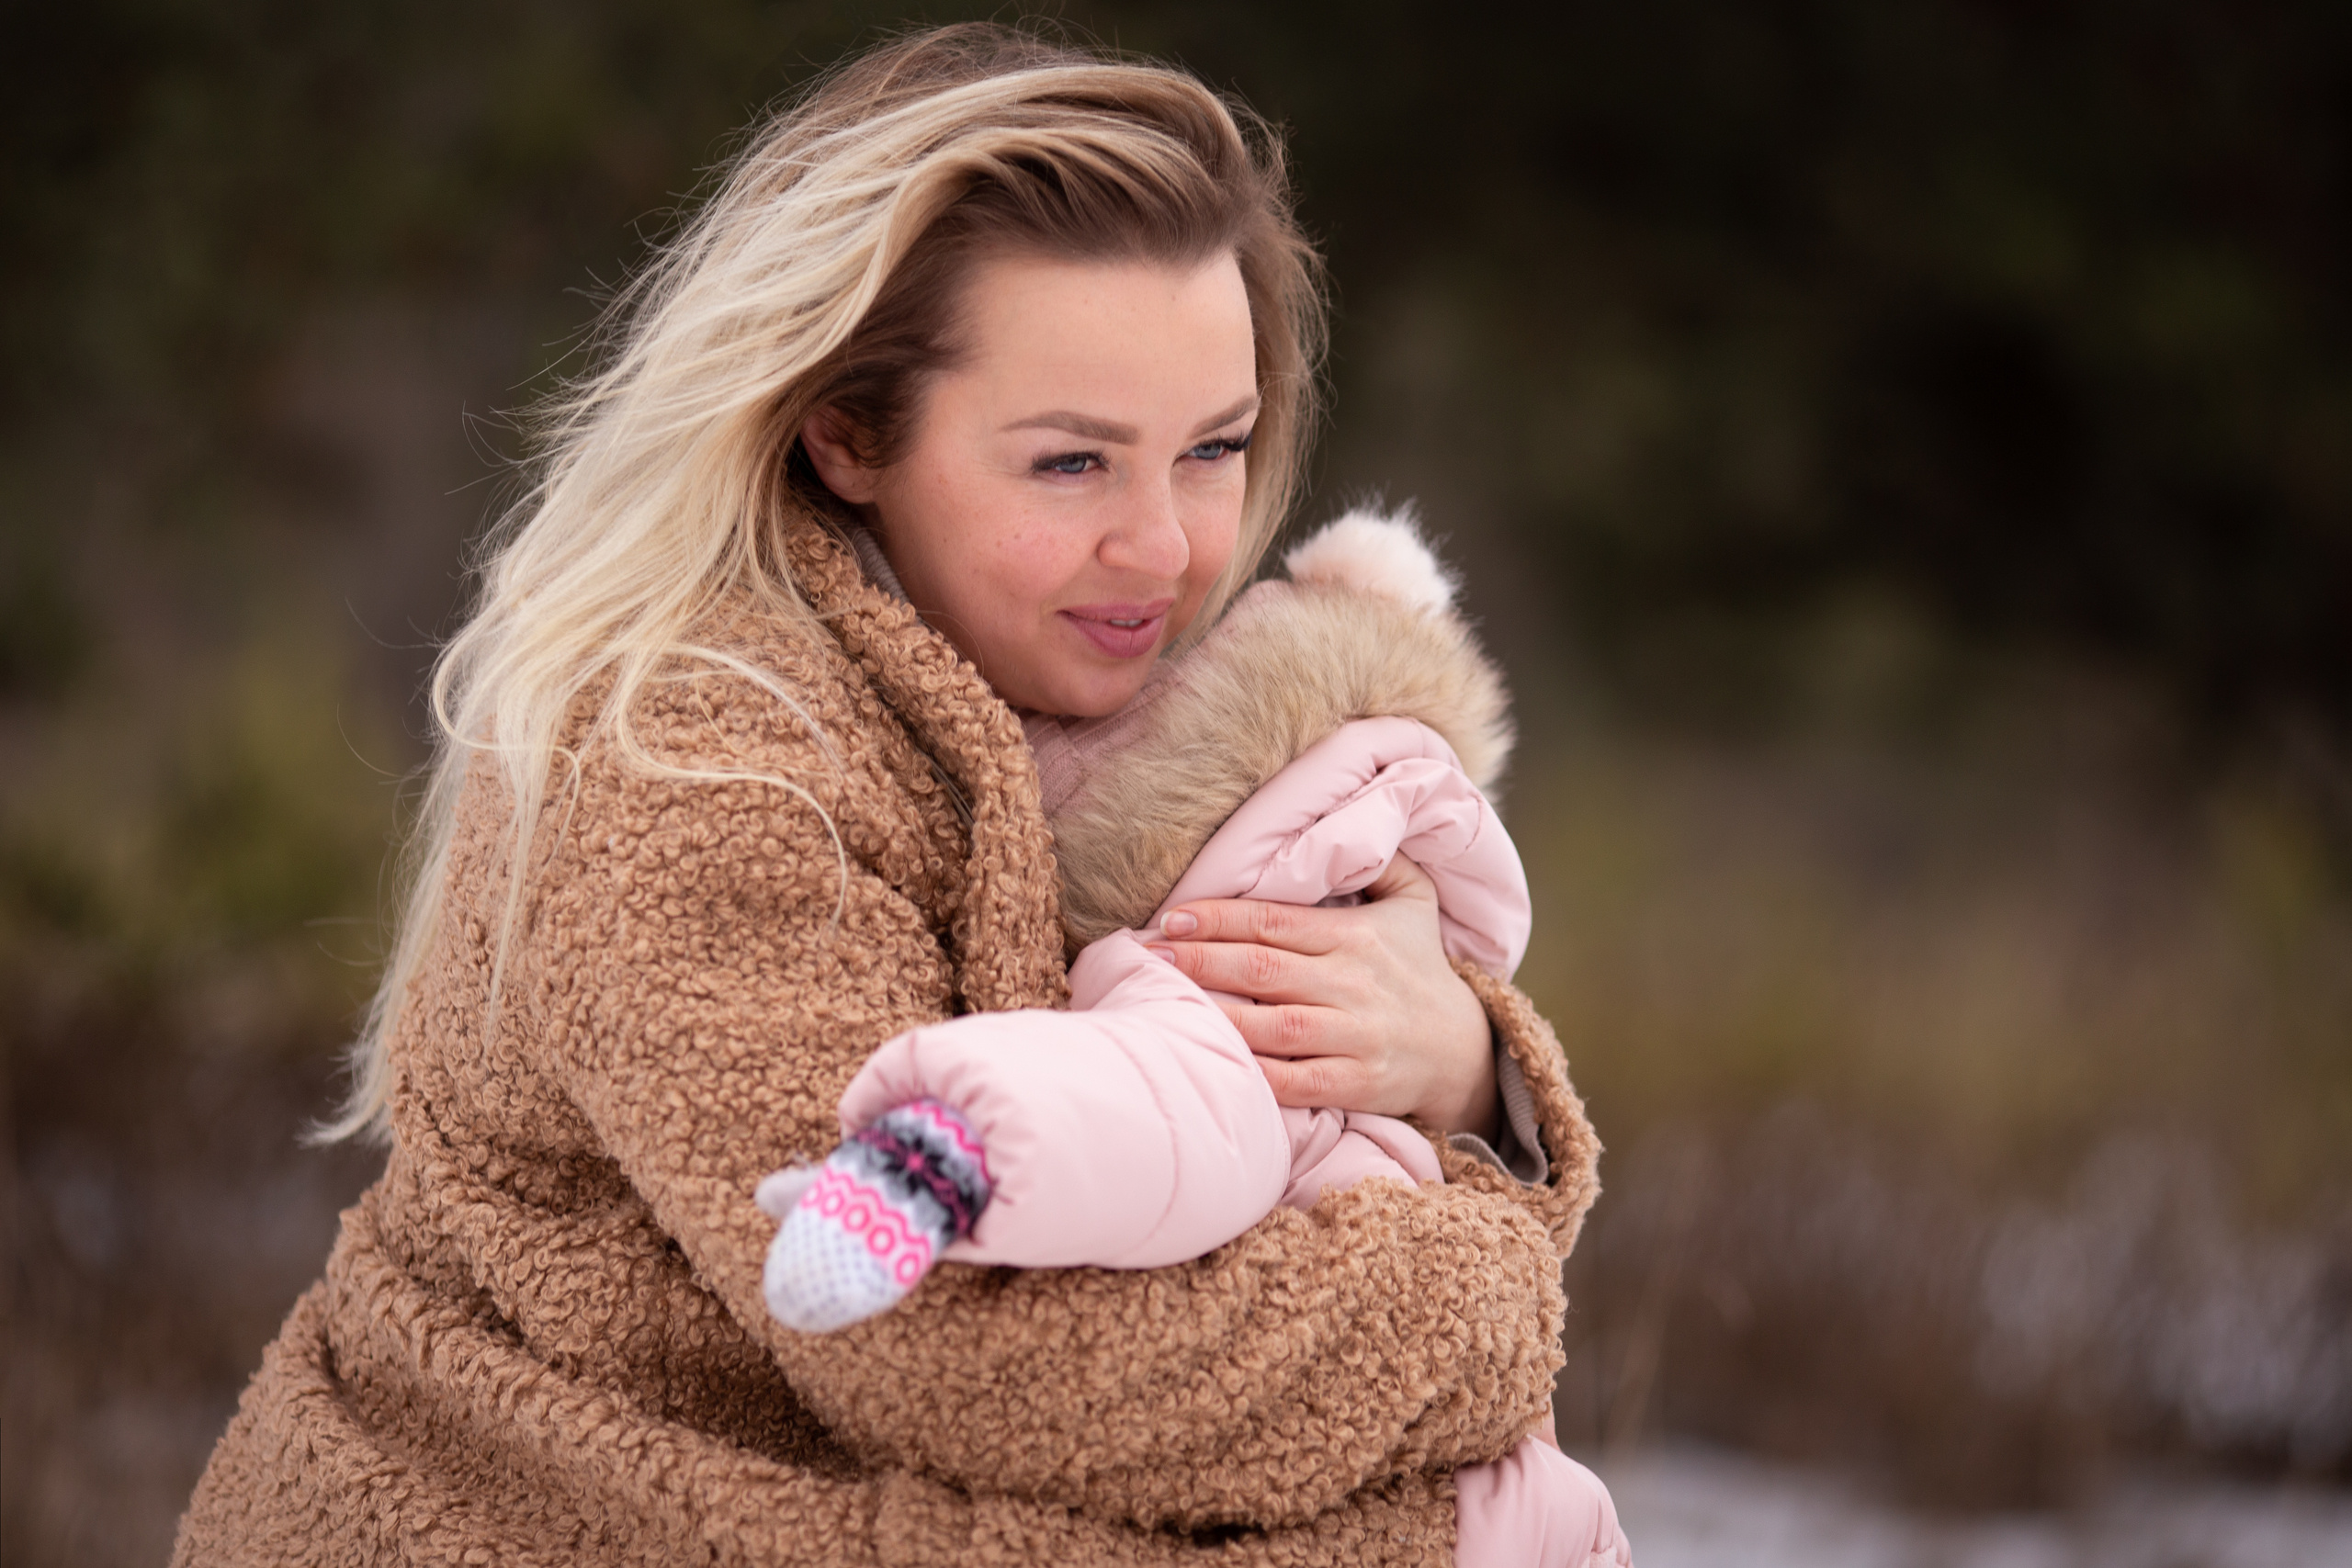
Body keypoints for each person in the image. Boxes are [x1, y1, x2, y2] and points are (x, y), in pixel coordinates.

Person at [175, 24, 1611, 1566]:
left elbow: (1159, 1124)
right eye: (1071, 465)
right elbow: (966, 1352)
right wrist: (1490, 1286)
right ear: (848, 433)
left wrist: (1456, 1064)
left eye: (1213, 449)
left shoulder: (1075, 713)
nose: (1167, 548)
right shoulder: (693, 772)